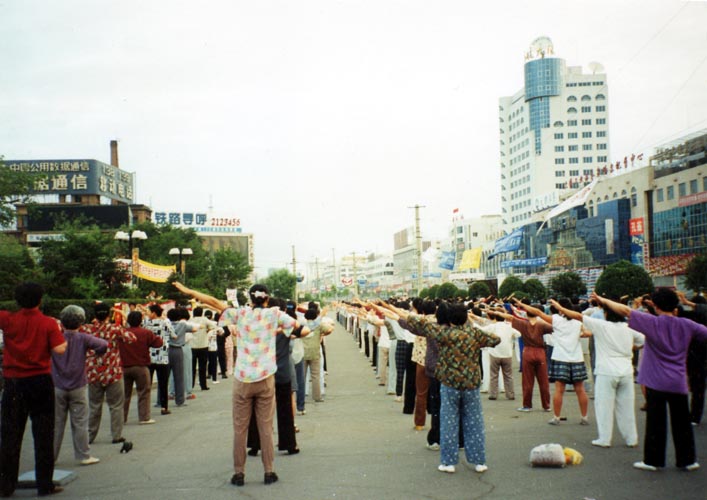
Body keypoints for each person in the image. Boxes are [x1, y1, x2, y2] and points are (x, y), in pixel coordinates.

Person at [173, 281, 296, 487]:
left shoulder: (240, 314)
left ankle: (239, 473)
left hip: (243, 379)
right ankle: (269, 471)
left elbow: (213, 301)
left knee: (240, 429)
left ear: (250, 299)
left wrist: (189, 291)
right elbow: (298, 328)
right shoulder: (274, 314)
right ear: (267, 298)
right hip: (265, 378)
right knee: (266, 428)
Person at [596, 289, 707, 472]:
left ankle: (653, 461)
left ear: (655, 306)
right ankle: (688, 461)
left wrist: (603, 300)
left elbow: (625, 311)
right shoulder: (687, 324)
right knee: (682, 422)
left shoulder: (652, 322)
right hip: (678, 380)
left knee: (656, 422)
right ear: (675, 305)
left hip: (655, 380)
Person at [392, 301, 500, 474]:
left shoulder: (443, 333)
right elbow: (495, 339)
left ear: (449, 318)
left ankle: (448, 463)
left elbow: (421, 324)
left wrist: (410, 316)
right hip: (471, 383)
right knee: (474, 422)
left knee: (448, 422)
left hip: (449, 383)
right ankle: (479, 461)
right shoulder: (474, 333)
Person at [0, 283, 67, 497]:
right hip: (39, 380)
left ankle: (6, 484)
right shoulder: (48, 323)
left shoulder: (8, 319)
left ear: (17, 300)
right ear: (40, 299)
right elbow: (59, 349)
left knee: (10, 434)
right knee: (43, 434)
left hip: (13, 382)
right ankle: (44, 484)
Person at [550, 298, 644, 448]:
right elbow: (642, 342)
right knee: (626, 407)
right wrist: (628, 347)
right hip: (626, 370)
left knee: (604, 406)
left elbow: (578, 316)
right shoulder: (629, 329)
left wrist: (559, 307)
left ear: (606, 314)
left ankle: (605, 439)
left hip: (606, 370)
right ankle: (631, 439)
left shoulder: (601, 325)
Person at [514, 299, 590, 425]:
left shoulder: (556, 320)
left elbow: (538, 312)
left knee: (559, 389)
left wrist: (522, 305)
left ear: (560, 309)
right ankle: (584, 417)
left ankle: (557, 417)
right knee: (580, 389)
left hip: (560, 358)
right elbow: (588, 333)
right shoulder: (578, 322)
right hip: (577, 358)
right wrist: (582, 334)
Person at [52, 305, 108, 466]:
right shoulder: (83, 338)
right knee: (80, 422)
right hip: (78, 385)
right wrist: (96, 353)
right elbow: (103, 345)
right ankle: (83, 455)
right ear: (81, 322)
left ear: (62, 322)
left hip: (57, 385)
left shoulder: (56, 338)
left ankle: (51, 457)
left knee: (56, 423)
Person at [85, 302, 136, 445]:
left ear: (94, 315)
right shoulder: (114, 328)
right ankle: (116, 435)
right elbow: (131, 338)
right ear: (109, 314)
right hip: (112, 372)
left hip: (93, 372)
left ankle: (90, 436)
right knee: (116, 406)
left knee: (94, 405)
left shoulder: (87, 329)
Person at [492, 304, 552, 412]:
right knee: (543, 381)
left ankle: (527, 405)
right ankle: (546, 405)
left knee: (527, 381)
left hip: (528, 351)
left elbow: (510, 317)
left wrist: (496, 312)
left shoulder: (523, 323)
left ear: (527, 314)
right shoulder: (542, 324)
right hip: (540, 352)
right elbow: (554, 327)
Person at [120, 311, 163, 424]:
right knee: (144, 392)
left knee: (124, 394)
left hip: (124, 366)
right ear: (140, 321)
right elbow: (158, 343)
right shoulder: (145, 332)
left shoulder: (122, 333)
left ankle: (121, 418)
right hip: (141, 366)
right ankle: (144, 417)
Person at [146, 304, 176, 415]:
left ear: (154, 313)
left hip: (149, 356)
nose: (147, 314)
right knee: (163, 384)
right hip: (163, 357)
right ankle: (164, 407)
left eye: (149, 312)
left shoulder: (146, 323)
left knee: (147, 385)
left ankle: (145, 408)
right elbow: (174, 336)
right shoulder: (166, 323)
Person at [190, 307, 216, 392]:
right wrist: (207, 330)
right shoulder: (204, 320)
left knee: (192, 367)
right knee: (203, 367)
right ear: (201, 313)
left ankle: (191, 385)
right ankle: (203, 385)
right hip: (203, 346)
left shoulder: (191, 320)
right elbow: (213, 326)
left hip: (192, 346)